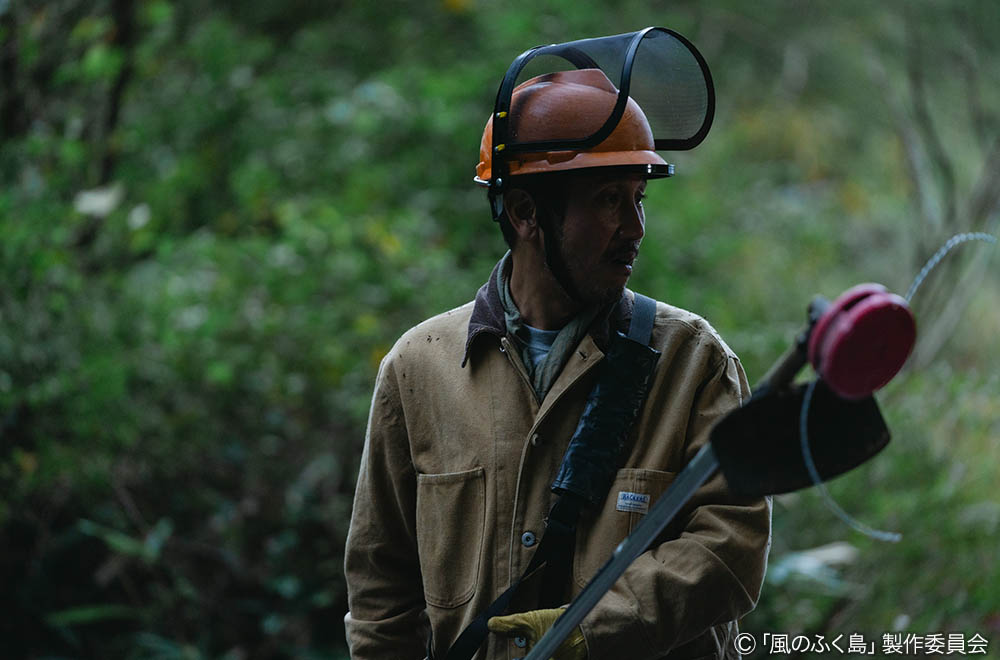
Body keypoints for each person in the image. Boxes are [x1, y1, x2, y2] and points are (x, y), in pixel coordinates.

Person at [344, 31, 771, 660]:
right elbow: (384, 593)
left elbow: (730, 547)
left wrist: (589, 630)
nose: (635, 228)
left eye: (639, 199)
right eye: (608, 200)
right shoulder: (418, 369)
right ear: (524, 213)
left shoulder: (693, 363)